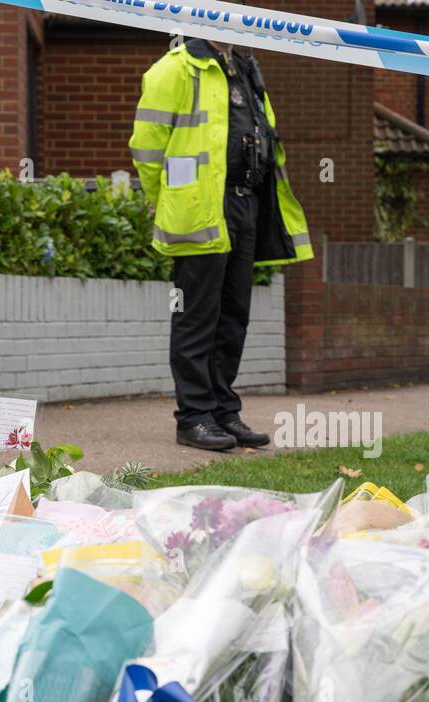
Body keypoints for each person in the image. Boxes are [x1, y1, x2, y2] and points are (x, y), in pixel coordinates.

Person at [130, 37, 313, 451]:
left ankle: (223, 412)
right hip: (200, 207)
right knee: (197, 318)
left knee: (233, 317)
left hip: (243, 203)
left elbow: (267, 137)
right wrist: (169, 201)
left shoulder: (244, 69)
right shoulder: (177, 68)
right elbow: (147, 148)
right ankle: (194, 418)